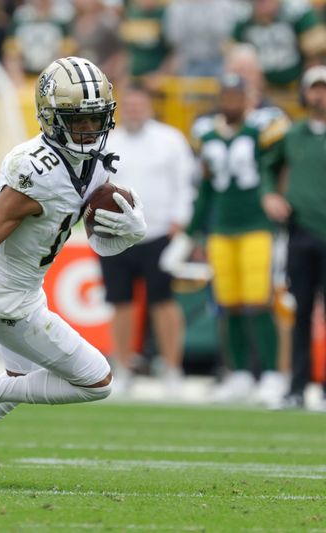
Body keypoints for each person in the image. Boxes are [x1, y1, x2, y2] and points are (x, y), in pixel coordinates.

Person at [0, 57, 147, 483]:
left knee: (21, 383)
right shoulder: (34, 172)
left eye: (96, 119)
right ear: (51, 118)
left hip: (23, 292)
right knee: (97, 381)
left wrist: (133, 226)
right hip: (8, 303)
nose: (90, 130)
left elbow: (97, 226)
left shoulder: (90, 162)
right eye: (78, 121)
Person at [184, 74, 287, 406]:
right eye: (225, 95)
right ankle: (240, 373)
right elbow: (207, 189)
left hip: (256, 225)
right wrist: (192, 232)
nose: (230, 102)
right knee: (228, 305)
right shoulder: (207, 133)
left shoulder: (262, 129)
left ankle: (272, 374)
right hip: (221, 229)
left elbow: (277, 170)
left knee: (259, 301)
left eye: (236, 96)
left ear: (248, 98)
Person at [101, 84, 194, 397]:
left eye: (140, 104)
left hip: (159, 232)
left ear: (151, 107)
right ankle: (124, 367)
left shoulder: (169, 140)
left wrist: (180, 222)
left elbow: (185, 182)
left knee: (163, 302)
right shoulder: (109, 142)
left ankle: (172, 369)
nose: (134, 110)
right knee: (120, 302)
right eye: (129, 105)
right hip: (117, 235)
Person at [261, 65, 326, 410]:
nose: (320, 96)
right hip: (300, 232)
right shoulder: (292, 134)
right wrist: (271, 195)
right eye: (315, 88)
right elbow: (268, 168)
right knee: (298, 314)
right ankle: (297, 386)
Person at [231, 0, 326, 88]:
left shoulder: (296, 11)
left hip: (296, 83)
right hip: (260, 87)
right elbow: (230, 49)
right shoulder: (244, 15)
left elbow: (318, 43)